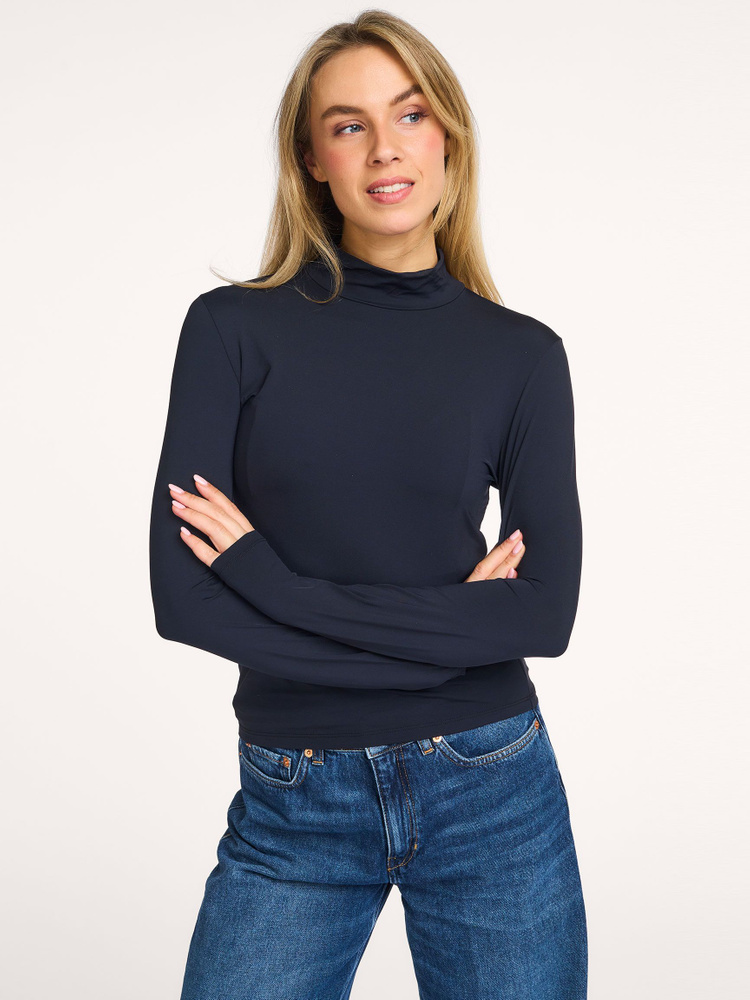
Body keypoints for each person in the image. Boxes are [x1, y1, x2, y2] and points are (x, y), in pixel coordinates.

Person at [149, 10, 588, 999]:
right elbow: (185, 602)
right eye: (349, 125)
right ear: (312, 159)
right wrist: (450, 633)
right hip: (295, 796)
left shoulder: (522, 356)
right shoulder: (230, 331)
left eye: (410, 114)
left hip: (491, 784)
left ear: (448, 137)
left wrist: (269, 583)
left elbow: (542, 617)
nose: (386, 147)